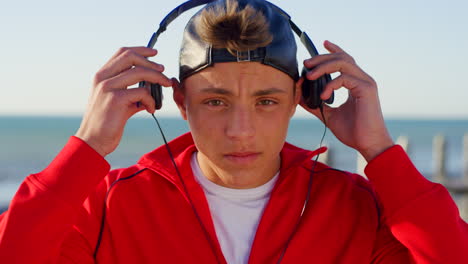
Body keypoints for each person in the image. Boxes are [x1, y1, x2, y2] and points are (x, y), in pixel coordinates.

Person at [0, 0, 467, 263]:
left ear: (303, 101)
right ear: (178, 103)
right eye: (215, 101)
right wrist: (89, 146)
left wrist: (379, 150)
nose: (240, 131)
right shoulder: (110, 205)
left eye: (266, 102)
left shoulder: (357, 207)